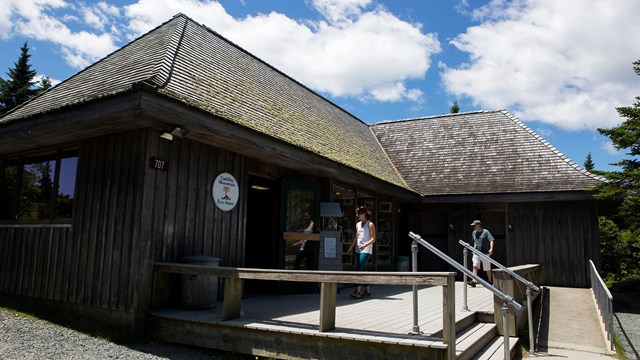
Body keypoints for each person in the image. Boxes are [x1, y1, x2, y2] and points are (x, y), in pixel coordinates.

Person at [347, 206, 376, 298]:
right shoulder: (357, 224)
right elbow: (356, 238)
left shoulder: (370, 224)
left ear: (363, 214)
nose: (357, 215)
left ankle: (357, 291)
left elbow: (373, 239)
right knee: (363, 270)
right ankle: (367, 291)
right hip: (358, 249)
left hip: (366, 250)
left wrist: (365, 245)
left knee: (358, 268)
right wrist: (351, 247)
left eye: (358, 213)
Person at [468, 220, 494, 287]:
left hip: (485, 253)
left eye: (474, 225)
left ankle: (490, 281)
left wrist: (491, 249)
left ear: (478, 225)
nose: (473, 227)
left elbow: (491, 240)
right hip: (476, 252)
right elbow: (474, 242)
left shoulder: (485, 232)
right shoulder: (473, 233)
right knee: (475, 266)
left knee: (487, 268)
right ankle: (474, 281)